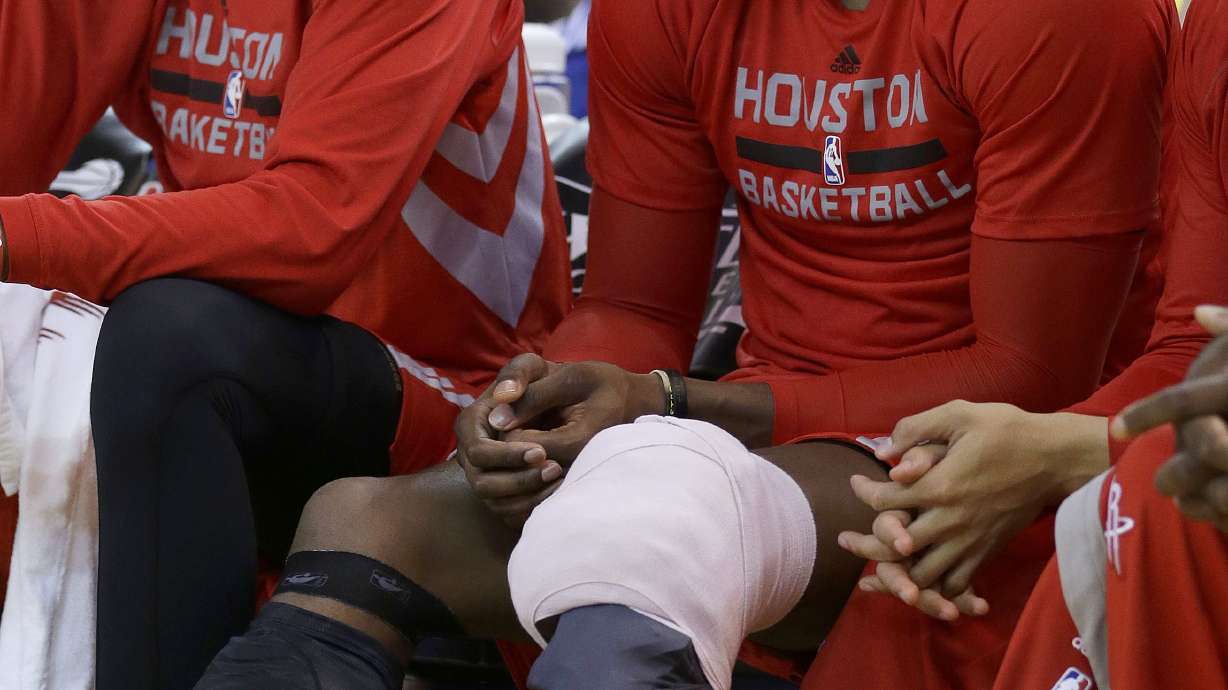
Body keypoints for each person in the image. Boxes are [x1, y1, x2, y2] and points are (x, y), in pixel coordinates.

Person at [191, 0, 1172, 688]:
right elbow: (632, 305)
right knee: (359, 518)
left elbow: (1027, 379)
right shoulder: (662, 12)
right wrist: (543, 395)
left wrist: (673, 402)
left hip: (967, 451)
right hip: (738, 431)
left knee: (668, 516)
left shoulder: (1054, 15)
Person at [0, 1, 571, 688]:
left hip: (460, 399)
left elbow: (313, 229)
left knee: (165, 337)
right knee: (70, 335)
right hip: (221, 366)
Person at [839, 0, 1228, 685]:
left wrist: (1055, 452)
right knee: (926, 565)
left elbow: (1026, 366)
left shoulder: (1066, 19)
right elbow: (1191, 349)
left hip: (1160, 479)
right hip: (1127, 440)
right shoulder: (1216, 29)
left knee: (1147, 488)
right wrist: (1028, 454)